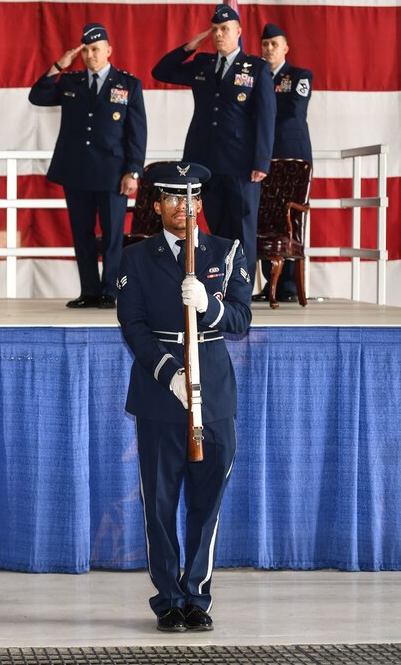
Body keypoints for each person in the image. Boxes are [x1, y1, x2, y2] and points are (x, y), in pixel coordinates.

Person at [116, 162, 252, 633]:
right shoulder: (136, 257)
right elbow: (133, 326)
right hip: (160, 394)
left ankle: (196, 593)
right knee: (159, 504)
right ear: (157, 205)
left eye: (190, 198)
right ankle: (169, 598)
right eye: (173, 198)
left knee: (206, 502)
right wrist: (169, 373)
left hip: (213, 394)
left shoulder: (227, 252)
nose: (183, 207)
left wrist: (209, 306)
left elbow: (241, 319)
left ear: (200, 204)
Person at [152, 4, 275, 280]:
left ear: (238, 32)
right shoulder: (203, 64)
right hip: (205, 162)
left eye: (225, 29)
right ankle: (221, 286)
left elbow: (266, 117)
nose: (219, 34)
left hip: (241, 163)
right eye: (215, 30)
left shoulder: (256, 68)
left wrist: (261, 161)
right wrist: (189, 47)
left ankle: (241, 291)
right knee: (216, 230)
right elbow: (161, 72)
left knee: (242, 229)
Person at [29, 22, 147, 309]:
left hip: (112, 173)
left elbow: (137, 132)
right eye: (86, 51)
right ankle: (89, 291)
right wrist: (59, 65)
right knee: (81, 234)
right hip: (77, 170)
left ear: (108, 50)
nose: (90, 55)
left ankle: (110, 291)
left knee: (112, 235)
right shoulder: (71, 82)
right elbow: (38, 96)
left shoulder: (128, 84)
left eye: (96, 49)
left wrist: (133, 171)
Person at [256, 23, 313, 302]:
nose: (269, 49)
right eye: (265, 44)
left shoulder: (300, 76)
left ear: (285, 48)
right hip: (262, 156)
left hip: (291, 155)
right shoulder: (255, 76)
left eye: (274, 44)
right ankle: (271, 284)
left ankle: (288, 285)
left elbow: (294, 111)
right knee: (264, 215)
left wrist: (260, 113)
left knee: (290, 217)